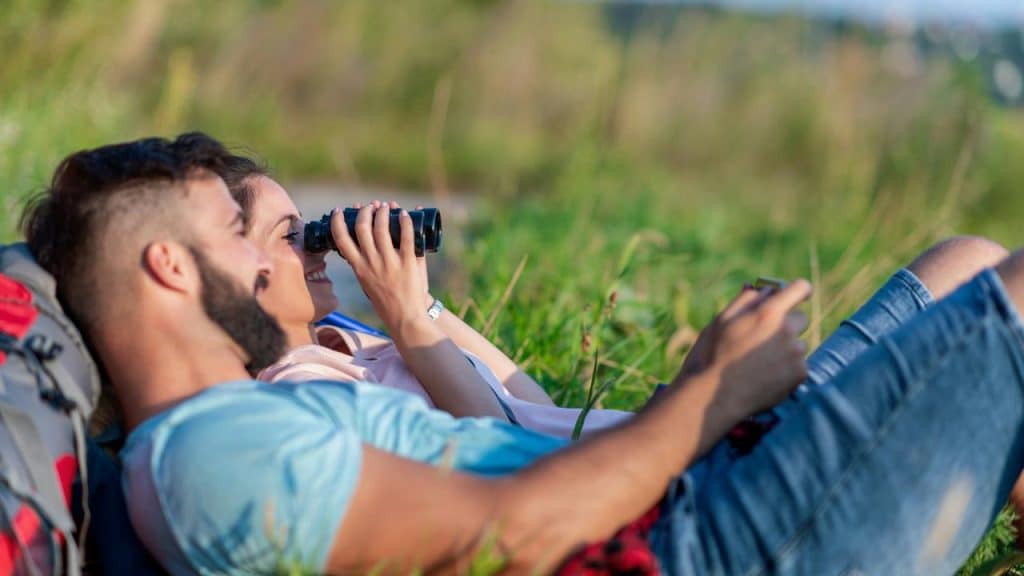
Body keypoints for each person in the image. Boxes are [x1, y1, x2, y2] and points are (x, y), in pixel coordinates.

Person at [21, 132, 1024, 575]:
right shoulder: (206, 459)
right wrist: (711, 396)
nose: (270, 248)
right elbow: (511, 527)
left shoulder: (223, 438)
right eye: (234, 229)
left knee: (988, 278)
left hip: (704, 501)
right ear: (168, 266)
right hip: (709, 545)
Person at [208, 149, 630, 438]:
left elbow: (537, 408)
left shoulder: (353, 342)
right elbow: (508, 450)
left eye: (308, 228)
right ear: (236, 272)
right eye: (288, 236)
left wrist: (420, 304)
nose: (316, 246)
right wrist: (407, 320)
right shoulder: (307, 389)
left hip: (620, 447)